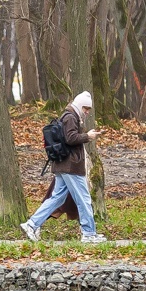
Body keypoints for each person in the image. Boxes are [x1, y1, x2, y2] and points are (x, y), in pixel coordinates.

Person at [20, 91, 107, 244]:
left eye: (89, 109)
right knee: (83, 198)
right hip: (70, 166)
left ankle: (32, 224)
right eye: (86, 108)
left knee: (57, 198)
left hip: (63, 164)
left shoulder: (69, 115)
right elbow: (70, 138)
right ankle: (88, 233)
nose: (87, 112)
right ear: (79, 105)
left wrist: (87, 135)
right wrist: (88, 136)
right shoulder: (71, 117)